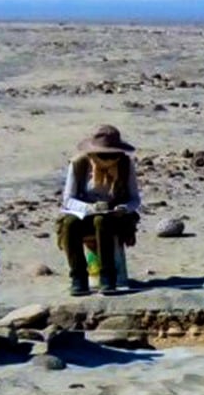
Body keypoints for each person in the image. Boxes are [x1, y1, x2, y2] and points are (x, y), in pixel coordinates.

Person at [58, 124, 142, 296]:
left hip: (115, 216)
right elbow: (68, 200)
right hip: (85, 212)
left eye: (113, 155)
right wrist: (89, 208)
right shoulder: (79, 165)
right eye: (104, 155)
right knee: (69, 224)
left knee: (101, 221)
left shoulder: (125, 165)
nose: (109, 160)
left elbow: (135, 198)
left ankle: (108, 277)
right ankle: (78, 277)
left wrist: (124, 208)